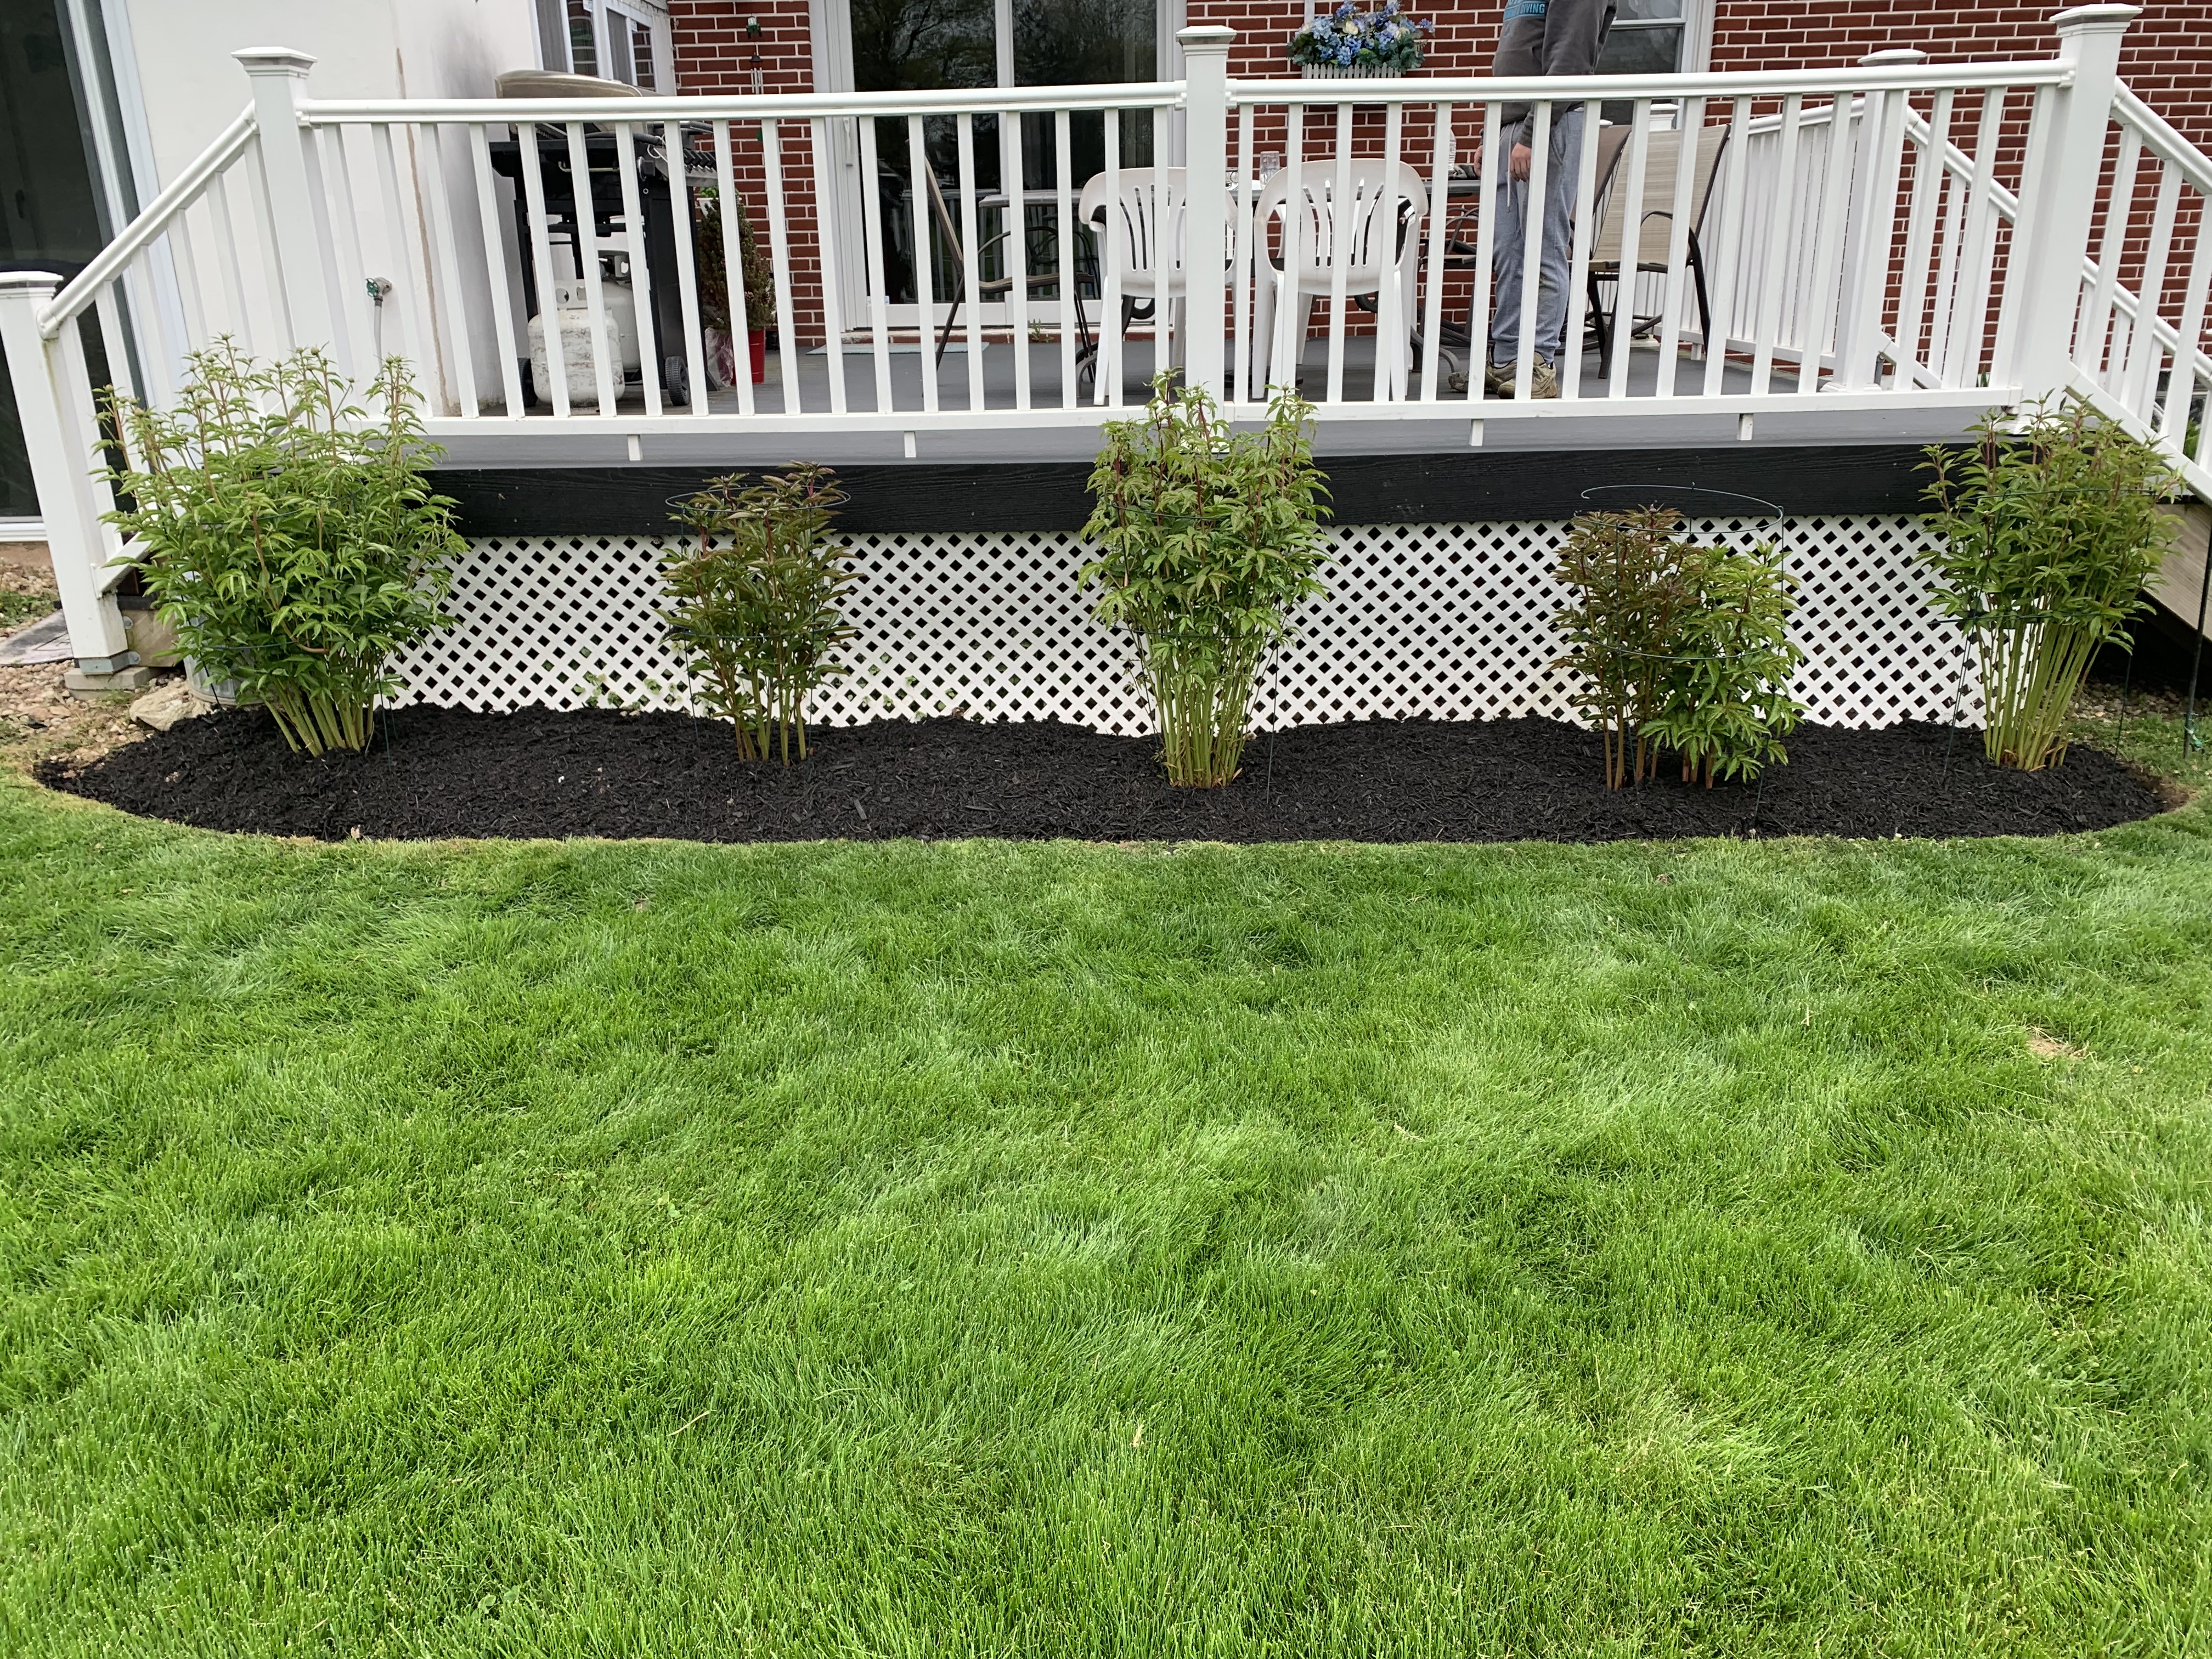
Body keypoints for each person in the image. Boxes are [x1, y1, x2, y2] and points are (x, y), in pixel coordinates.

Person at [1455, 0, 1616, 398]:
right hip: (1512, 127)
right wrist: (1489, 133)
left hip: (1549, 124)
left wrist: (1532, 134)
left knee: (1543, 247)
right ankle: (1508, 359)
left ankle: (1539, 365)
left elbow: (1570, 57)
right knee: (1508, 251)